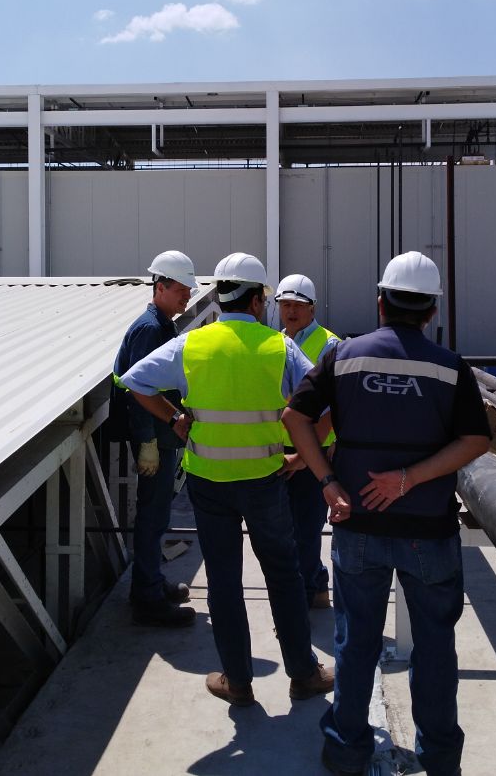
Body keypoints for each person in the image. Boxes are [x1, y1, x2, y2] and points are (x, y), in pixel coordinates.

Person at [282, 252, 491, 776]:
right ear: (431, 311)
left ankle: (348, 751)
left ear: (381, 303)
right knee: (435, 649)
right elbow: (476, 439)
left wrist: (327, 483)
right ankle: (441, 759)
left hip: (358, 526)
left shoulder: (344, 357)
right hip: (429, 530)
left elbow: (295, 418)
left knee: (357, 645)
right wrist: (411, 479)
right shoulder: (450, 368)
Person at [122, 252, 335, 707]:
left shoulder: (192, 344)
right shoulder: (280, 348)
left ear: (218, 297)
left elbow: (134, 379)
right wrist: (301, 458)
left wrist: (175, 416)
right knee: (283, 573)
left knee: (223, 580)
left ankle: (237, 681)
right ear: (259, 300)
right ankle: (303, 673)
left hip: (207, 482)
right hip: (265, 478)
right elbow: (325, 407)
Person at [112, 250, 198, 628]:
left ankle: (152, 583)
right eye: (181, 290)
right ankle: (147, 597)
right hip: (156, 440)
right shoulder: (151, 328)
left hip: (163, 437)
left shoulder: (160, 325)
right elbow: (137, 389)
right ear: (160, 286)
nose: (187, 297)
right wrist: (147, 441)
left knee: (157, 516)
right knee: (151, 517)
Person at [274, 273, 338, 608]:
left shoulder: (329, 346)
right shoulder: (275, 342)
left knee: (307, 529)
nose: (290, 311)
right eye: (285, 304)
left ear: (312, 309)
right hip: (280, 452)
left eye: (297, 305)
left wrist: (304, 457)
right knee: (286, 530)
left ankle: (307, 593)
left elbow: (331, 411)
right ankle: (312, 587)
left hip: (312, 453)